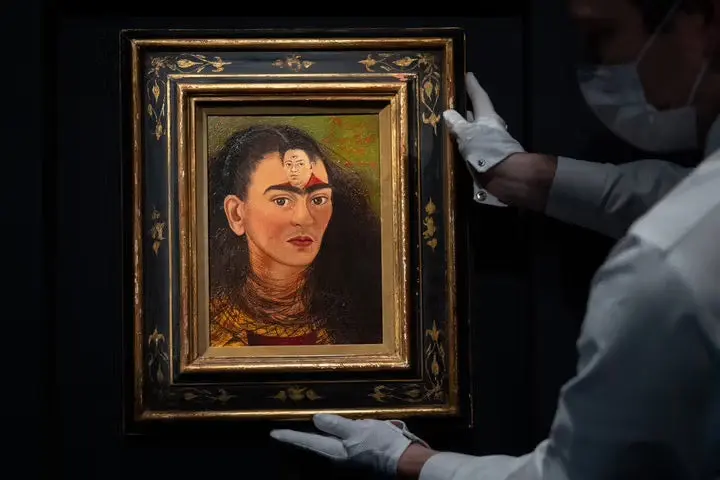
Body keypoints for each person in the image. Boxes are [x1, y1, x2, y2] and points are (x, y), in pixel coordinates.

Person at [269, 0, 720, 478]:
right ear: (234, 212)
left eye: (602, 36)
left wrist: (407, 460)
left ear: (704, 20)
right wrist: (517, 173)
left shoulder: (664, 263)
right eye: (280, 198)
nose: (600, 67)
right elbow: (670, 193)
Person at [207, 124, 383, 346]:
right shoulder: (204, 329)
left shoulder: (366, 320)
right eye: (282, 200)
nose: (305, 218)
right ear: (236, 213)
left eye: (318, 199)